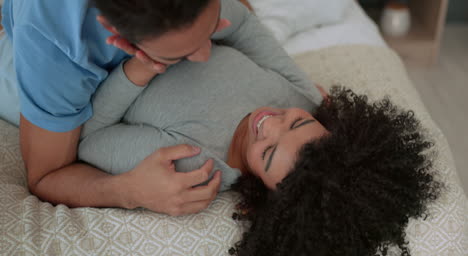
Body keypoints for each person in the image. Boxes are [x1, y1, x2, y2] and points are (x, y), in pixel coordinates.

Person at [78, 45, 440, 256]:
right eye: (297, 123)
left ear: (262, 197)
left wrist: (145, 65)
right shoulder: (299, 97)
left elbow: (87, 138)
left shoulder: (194, 163)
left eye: (267, 154)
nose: (269, 124)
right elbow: (240, 24)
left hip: (90, 62)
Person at [0, 0, 268, 215]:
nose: (205, 55)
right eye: (177, 55)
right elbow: (45, 176)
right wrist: (129, 191)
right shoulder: (54, 41)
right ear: (113, 32)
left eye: (211, 29)